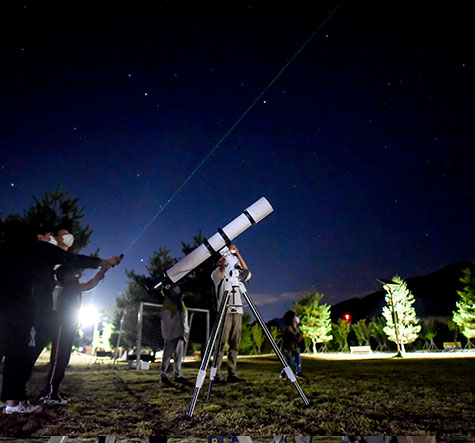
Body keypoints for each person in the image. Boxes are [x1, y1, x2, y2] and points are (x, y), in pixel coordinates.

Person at [0, 223, 122, 414]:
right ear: (40, 237)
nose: (55, 239)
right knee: (18, 354)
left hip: (12, 305)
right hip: (26, 310)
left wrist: (102, 268)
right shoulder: (43, 251)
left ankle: (11, 401)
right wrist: (102, 261)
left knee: (10, 352)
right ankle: (16, 402)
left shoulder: (18, 252)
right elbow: (72, 259)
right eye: (52, 236)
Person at [38, 263, 111, 404]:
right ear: (65, 277)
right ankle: (49, 394)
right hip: (61, 327)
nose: (76, 275)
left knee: (62, 360)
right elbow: (89, 285)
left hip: (68, 327)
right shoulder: (68, 288)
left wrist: (103, 270)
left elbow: (89, 284)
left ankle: (52, 390)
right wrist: (102, 270)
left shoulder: (72, 287)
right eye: (72, 273)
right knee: (58, 361)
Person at [211, 244, 250, 383]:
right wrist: (225, 259)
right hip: (225, 311)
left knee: (235, 344)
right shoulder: (216, 274)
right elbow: (221, 272)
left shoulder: (236, 273)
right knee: (221, 344)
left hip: (237, 311)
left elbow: (246, 272)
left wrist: (237, 254)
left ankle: (231, 373)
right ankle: (216, 374)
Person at [159, 283, 190, 386]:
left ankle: (178, 375)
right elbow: (166, 321)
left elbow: (184, 317)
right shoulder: (168, 304)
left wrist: (185, 330)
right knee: (167, 355)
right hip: (172, 334)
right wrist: (169, 334)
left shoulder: (180, 303)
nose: (176, 288)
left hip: (180, 333)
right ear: (170, 291)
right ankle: (164, 376)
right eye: (173, 287)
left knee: (178, 355)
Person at [280, 310, 305, 379]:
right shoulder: (288, 328)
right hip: (287, 347)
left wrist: (300, 337)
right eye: (295, 317)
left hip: (295, 347)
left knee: (298, 358)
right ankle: (284, 372)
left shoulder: (297, 328)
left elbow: (300, 335)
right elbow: (288, 336)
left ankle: (298, 372)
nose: (296, 318)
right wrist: (296, 338)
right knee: (289, 361)